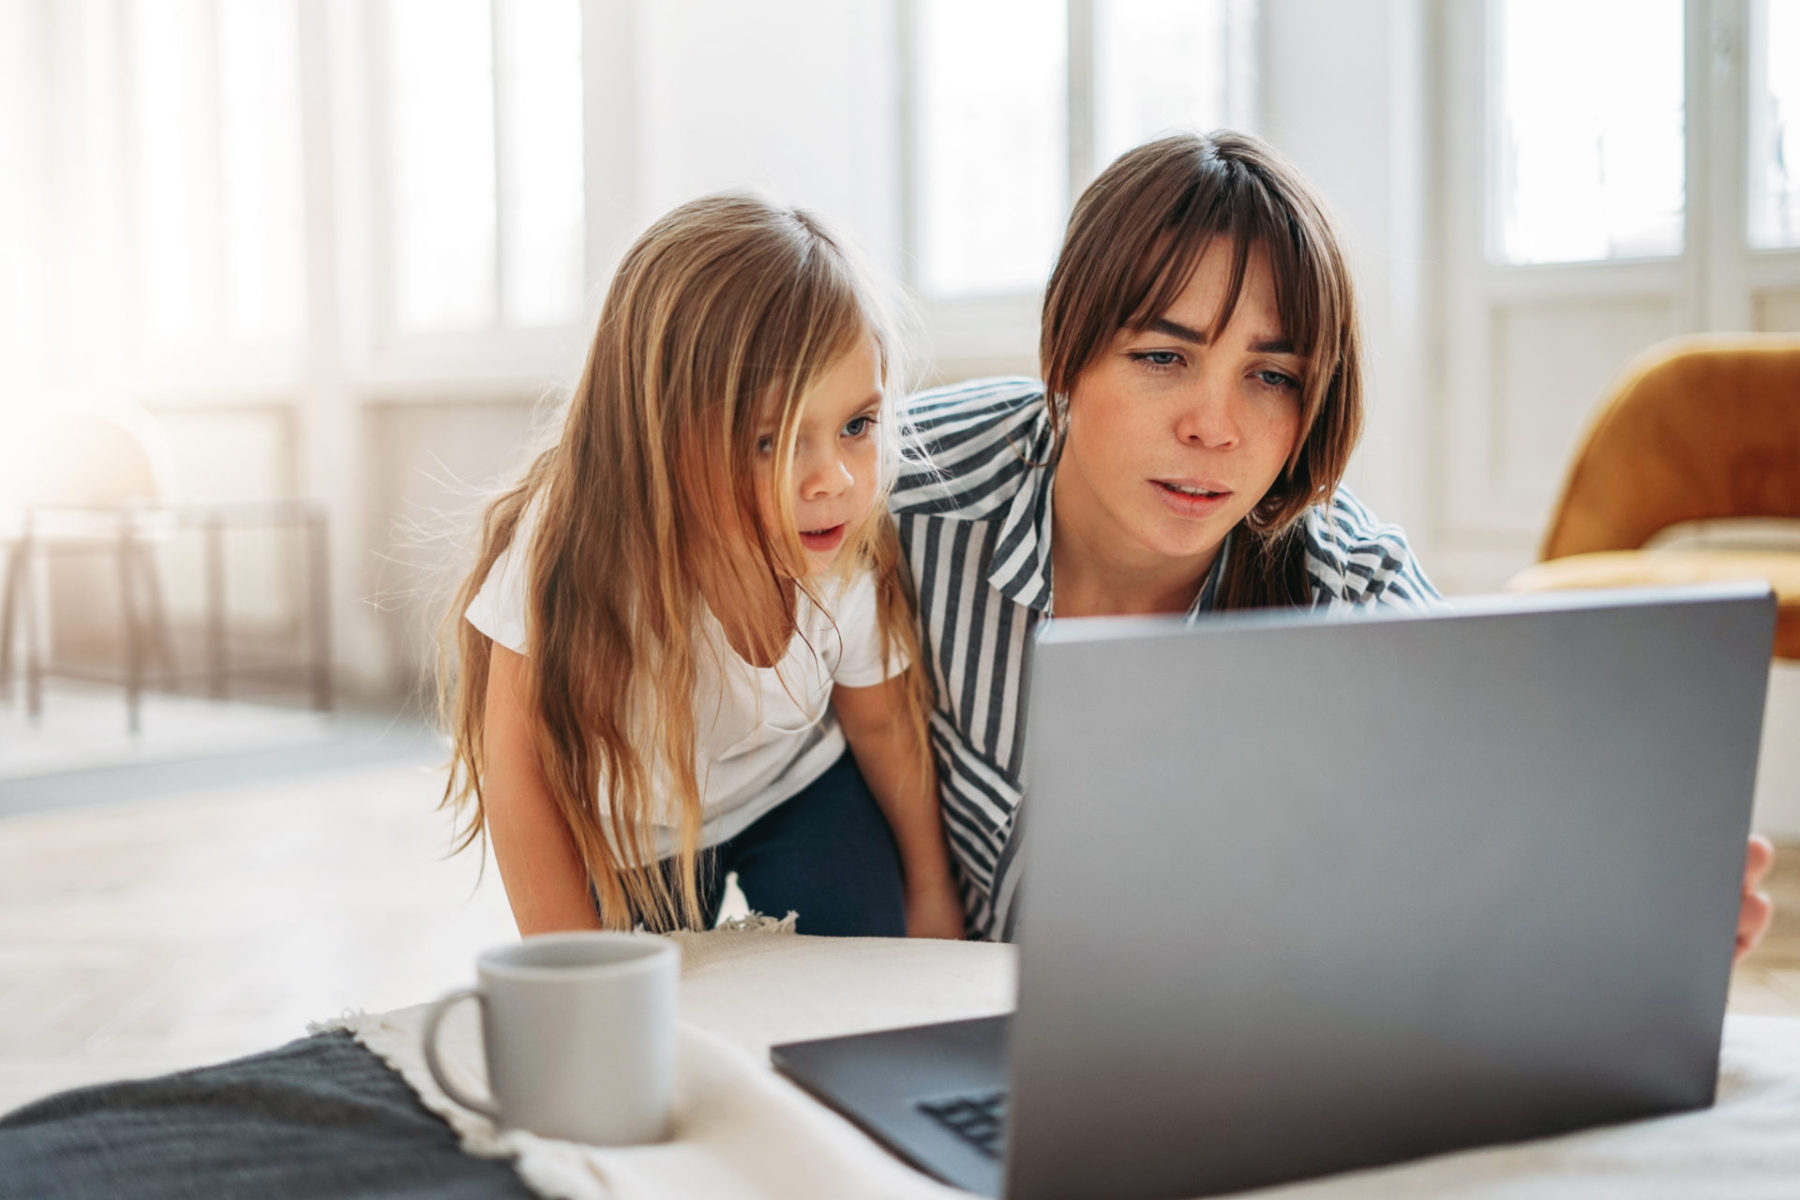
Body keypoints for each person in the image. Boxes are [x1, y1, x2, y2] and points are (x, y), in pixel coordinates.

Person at [889, 130, 1776, 952]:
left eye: (1270, 376)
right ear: (1065, 352)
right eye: (1164, 357)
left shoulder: (1347, 582)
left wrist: (1619, 901)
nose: (1215, 426)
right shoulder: (903, 492)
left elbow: (1486, 801)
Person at [439, 193, 964, 939]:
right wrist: (574, 969)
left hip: (795, 783)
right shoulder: (571, 544)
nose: (835, 481)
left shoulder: (843, 545)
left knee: (871, 948)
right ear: (659, 437)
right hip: (636, 825)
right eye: (768, 442)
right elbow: (516, 770)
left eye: (857, 426)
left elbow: (883, 727)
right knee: (642, 1011)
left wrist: (933, 896)